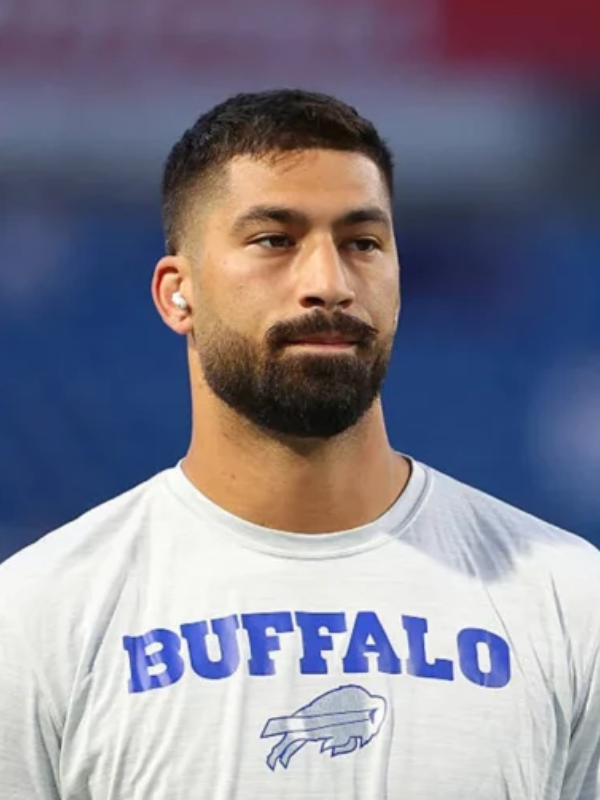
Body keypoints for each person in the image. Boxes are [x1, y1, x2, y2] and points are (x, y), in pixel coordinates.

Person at [0, 89, 598, 800]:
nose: (328, 284)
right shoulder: (39, 615)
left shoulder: (569, 600)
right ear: (176, 293)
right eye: (274, 241)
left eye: (362, 243)